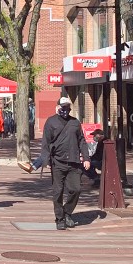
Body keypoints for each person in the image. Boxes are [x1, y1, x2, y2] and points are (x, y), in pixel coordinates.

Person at [20, 96, 91, 229]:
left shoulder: (75, 122)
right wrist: (45, 160)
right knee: (58, 191)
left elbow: (82, 140)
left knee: (76, 189)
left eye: (67, 107)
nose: (65, 110)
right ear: (58, 108)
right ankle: (60, 218)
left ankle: (67, 212)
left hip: (74, 162)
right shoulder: (51, 122)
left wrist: (86, 158)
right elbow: (46, 143)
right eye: (63, 107)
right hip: (58, 162)